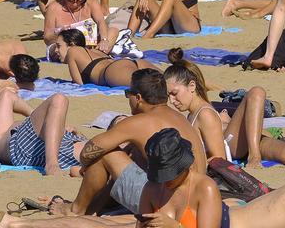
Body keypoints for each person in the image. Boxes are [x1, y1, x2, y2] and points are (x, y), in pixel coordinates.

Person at [55, 69, 207, 217]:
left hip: (169, 203)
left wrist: (85, 166)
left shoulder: (139, 122)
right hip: (194, 200)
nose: (128, 98)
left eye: (128, 94)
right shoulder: (179, 118)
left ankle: (75, 210)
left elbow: (88, 151)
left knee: (106, 154)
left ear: (138, 98)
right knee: (135, 156)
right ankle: (94, 209)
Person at [165, 47, 285, 168]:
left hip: (232, 146)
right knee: (284, 151)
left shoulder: (203, 113)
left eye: (174, 93)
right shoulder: (196, 113)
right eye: (169, 95)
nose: (172, 100)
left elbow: (219, 158)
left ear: (192, 86)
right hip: (236, 141)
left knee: (256, 92)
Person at [0, 89, 86, 176]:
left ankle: (51, 164)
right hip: (54, 145)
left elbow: (6, 95)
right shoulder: (5, 139)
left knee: (59, 100)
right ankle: (52, 163)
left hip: (28, 149)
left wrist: (45, 115)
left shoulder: (2, 140)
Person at [52, 29, 157, 87]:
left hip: (112, 71)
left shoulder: (73, 50)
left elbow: (78, 84)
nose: (56, 50)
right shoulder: (96, 51)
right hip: (133, 63)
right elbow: (114, 30)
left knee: (149, 86)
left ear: (72, 44)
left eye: (59, 46)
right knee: (165, 82)